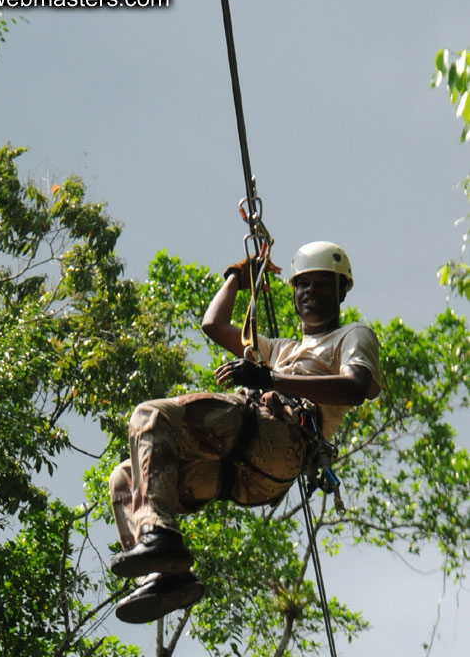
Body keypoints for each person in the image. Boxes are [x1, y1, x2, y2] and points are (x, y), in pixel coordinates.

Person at [109, 241, 381, 624]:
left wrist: (270, 377)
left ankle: (159, 536)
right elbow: (213, 325)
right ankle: (166, 575)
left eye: (322, 284)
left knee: (151, 416)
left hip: (282, 437)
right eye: (303, 285)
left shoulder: (352, 335)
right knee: (123, 477)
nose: (310, 293)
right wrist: (238, 277)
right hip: (250, 475)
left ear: (342, 290)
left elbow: (355, 387)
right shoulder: (280, 349)